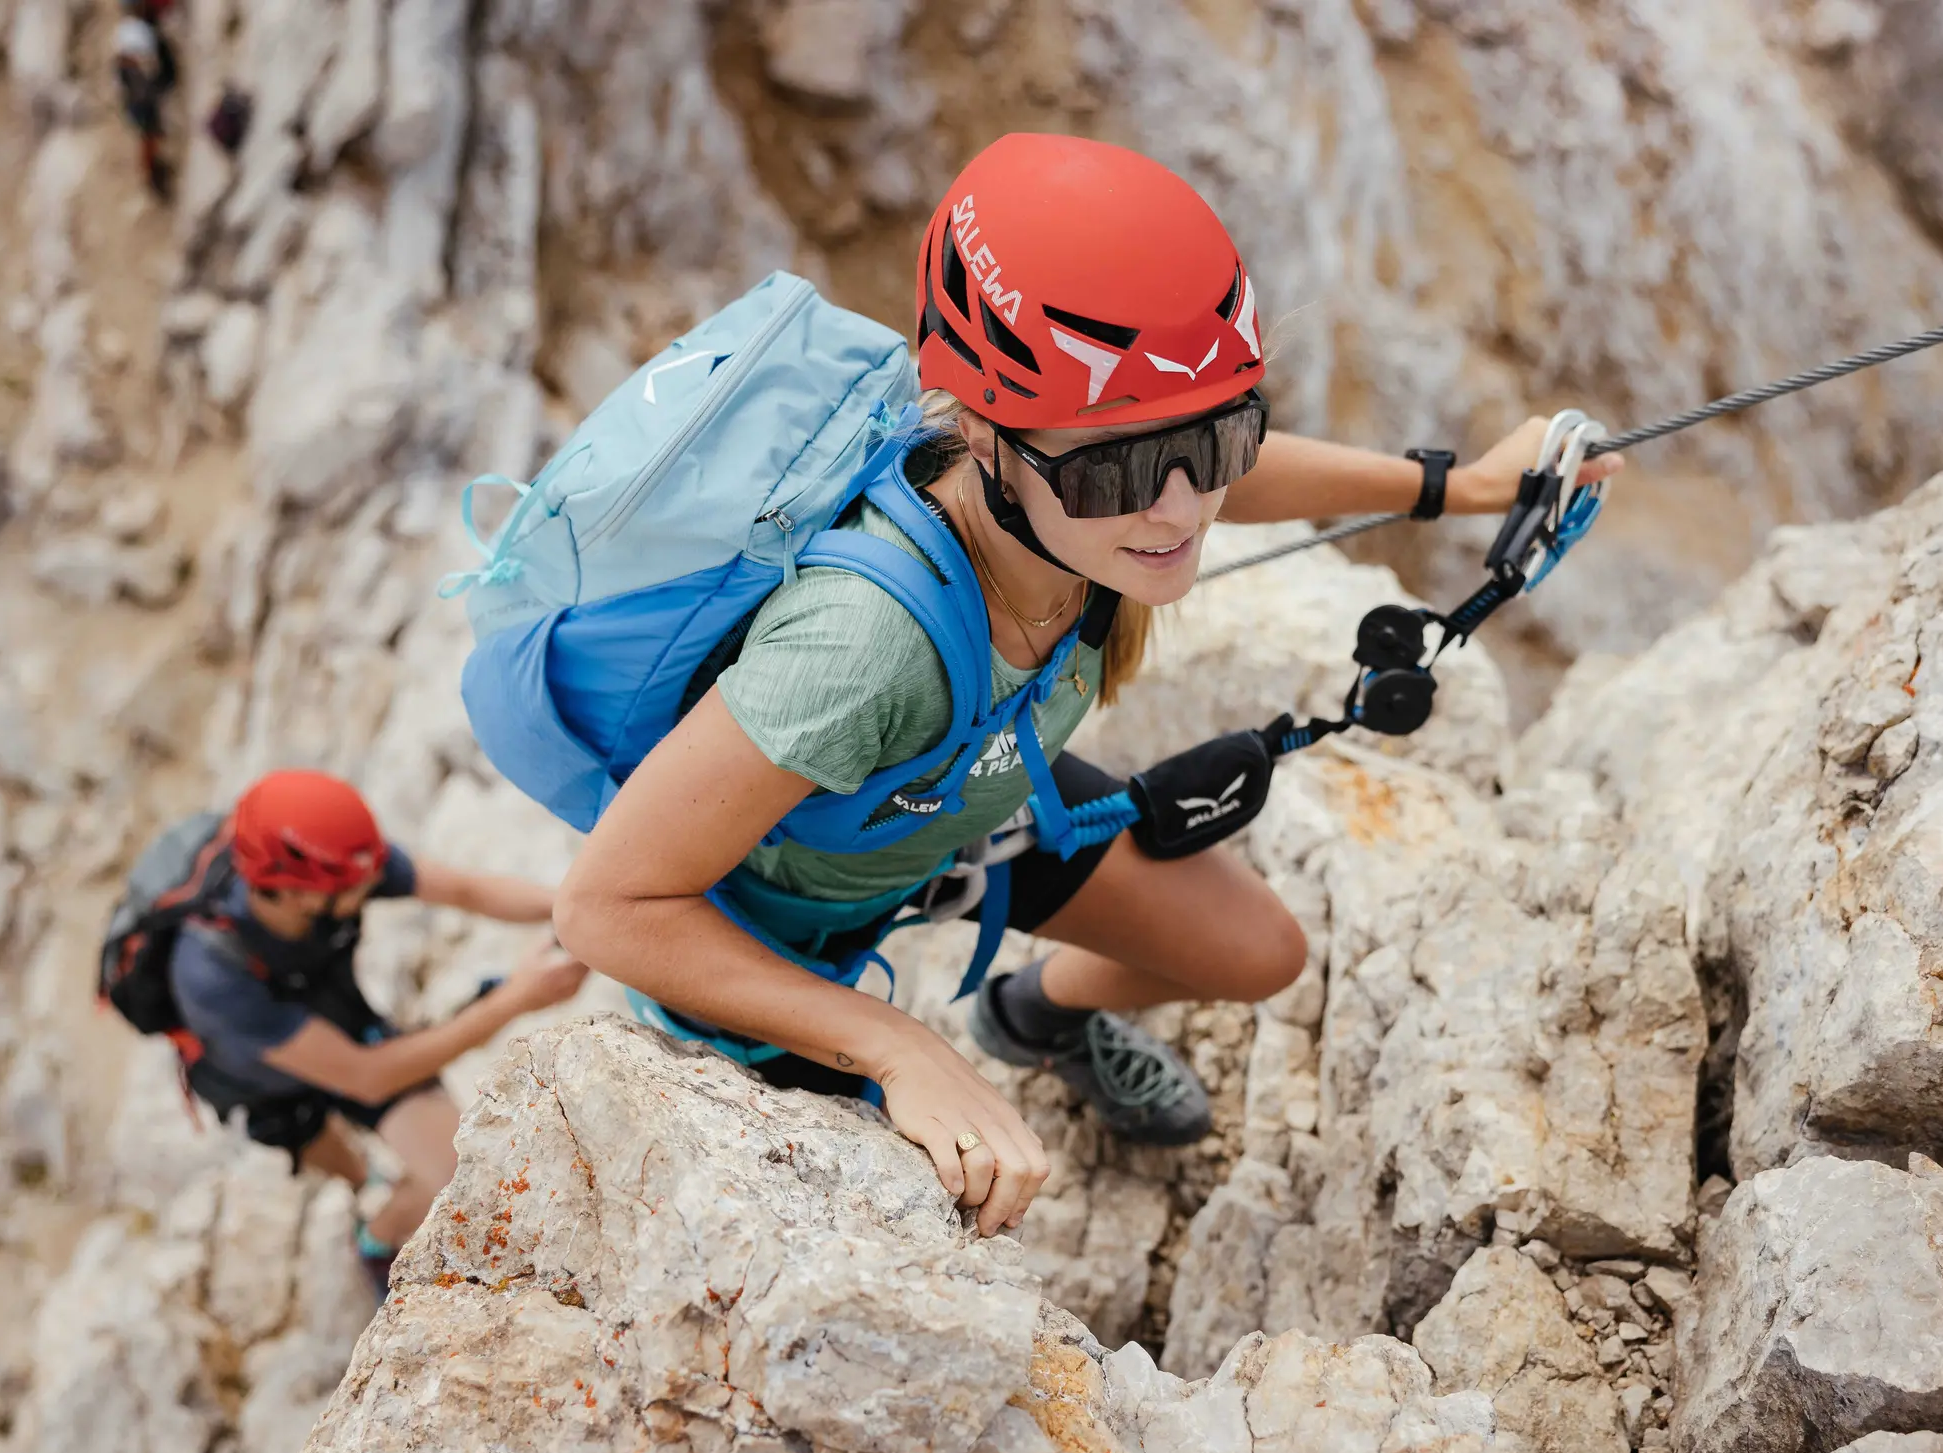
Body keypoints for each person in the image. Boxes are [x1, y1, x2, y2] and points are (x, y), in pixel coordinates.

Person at [550, 134, 1623, 1239]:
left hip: (962, 794)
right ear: (981, 436)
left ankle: (1034, 1016)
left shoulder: (1087, 504)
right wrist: (900, 1047)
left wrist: (1456, 486)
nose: (1177, 510)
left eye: (1215, 439)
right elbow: (606, 906)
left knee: (1259, 953)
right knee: (924, 1224)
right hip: (777, 916)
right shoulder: (857, 648)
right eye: (1112, 470)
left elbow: (1200, 469)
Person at [171, 770, 588, 1293]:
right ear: (300, 895)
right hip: (261, 1079)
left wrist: (577, 909)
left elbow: (464, 890)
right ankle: (374, 1234)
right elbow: (367, 1078)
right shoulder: (210, 974)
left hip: (336, 1018)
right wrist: (517, 999)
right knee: (347, 1165)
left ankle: (382, 1225)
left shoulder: (343, 868)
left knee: (458, 1171)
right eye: (358, 887)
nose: (376, 885)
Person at [113, 1, 178, 200]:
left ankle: (150, 166)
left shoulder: (130, 33)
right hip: (141, 98)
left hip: (143, 96)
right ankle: (149, 169)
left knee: (150, 134)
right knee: (148, 134)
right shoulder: (132, 35)